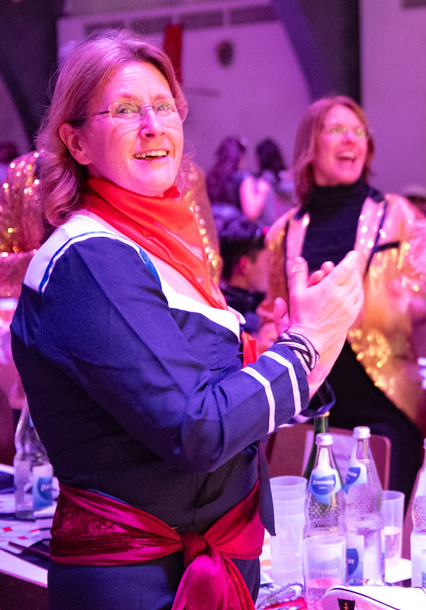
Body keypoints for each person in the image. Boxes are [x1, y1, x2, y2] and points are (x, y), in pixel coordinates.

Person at [10, 31, 363, 610]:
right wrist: (305, 343)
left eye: (164, 106)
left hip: (204, 566)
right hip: (139, 585)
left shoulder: (161, 248)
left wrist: (289, 351)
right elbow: (196, 429)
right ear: (76, 142)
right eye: (125, 110)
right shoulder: (88, 258)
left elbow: (212, 400)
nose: (153, 125)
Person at [265, 95, 426, 497]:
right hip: (310, 409)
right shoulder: (283, 230)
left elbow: (425, 298)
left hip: (385, 402)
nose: (351, 139)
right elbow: (274, 310)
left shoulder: (401, 216)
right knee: (312, 525)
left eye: (359, 131)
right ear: (310, 143)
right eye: (337, 130)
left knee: (380, 524)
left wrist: (371, 302)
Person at [215, 212, 271, 345]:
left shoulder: (215, 305)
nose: (270, 269)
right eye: (267, 262)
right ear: (244, 265)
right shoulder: (249, 325)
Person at [240, 138, 292, 226]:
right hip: (286, 227)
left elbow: (252, 214)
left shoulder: (261, 183)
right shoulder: (288, 179)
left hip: (273, 228)